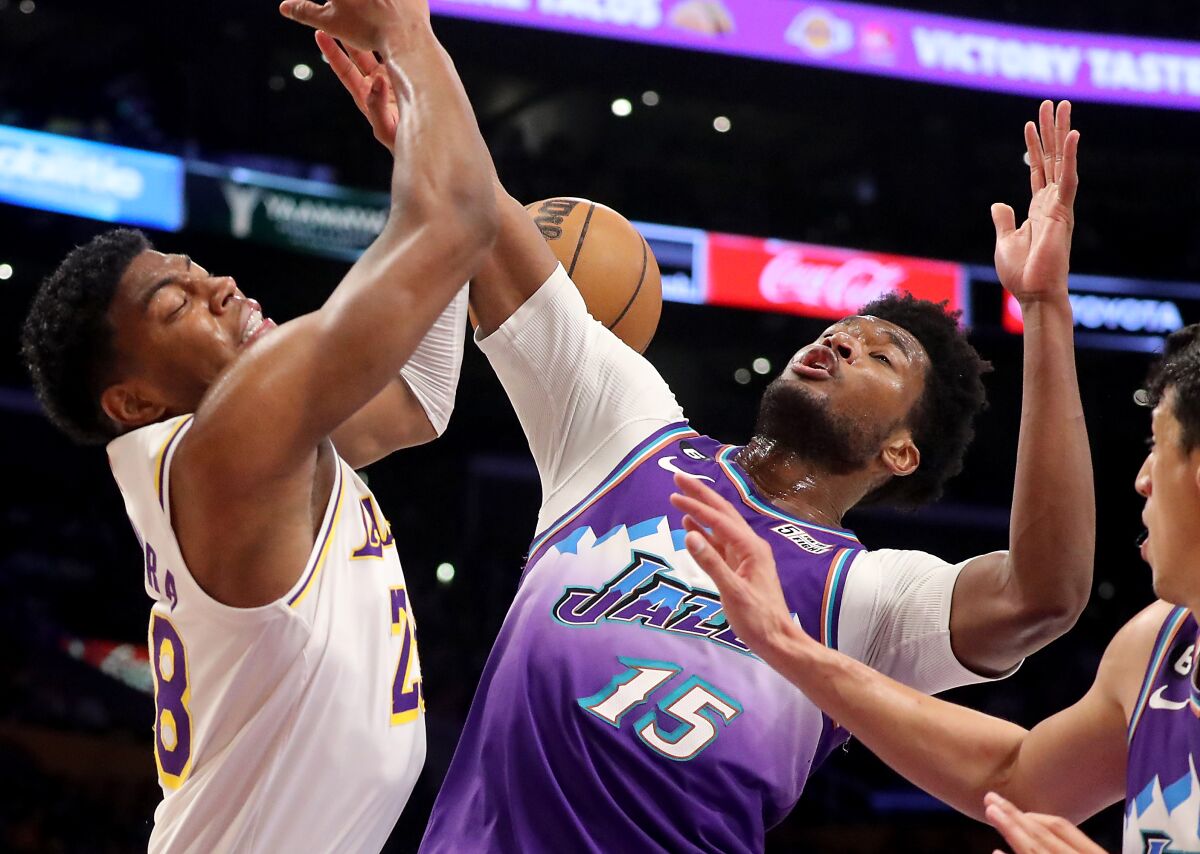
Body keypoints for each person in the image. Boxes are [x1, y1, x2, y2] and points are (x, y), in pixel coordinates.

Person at [315, 38, 1092, 849]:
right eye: (836, 332)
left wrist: (1044, 310)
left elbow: (1045, 594)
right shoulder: (627, 431)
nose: (839, 345)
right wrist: (421, 116)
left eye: (879, 355)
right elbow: (488, 219)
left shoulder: (869, 597)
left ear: (902, 451)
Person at [17, 0, 499, 850]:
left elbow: (420, 400)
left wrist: (413, 145)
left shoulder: (254, 453)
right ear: (131, 400)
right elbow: (455, 224)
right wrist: (410, 40)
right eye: (178, 305)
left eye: (201, 272)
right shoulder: (230, 446)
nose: (222, 288)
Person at [667, 183, 1200, 854]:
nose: (1142, 478)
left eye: (1156, 445)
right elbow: (1017, 779)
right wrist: (792, 648)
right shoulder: (1157, 647)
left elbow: (1039, 595)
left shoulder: (868, 586)